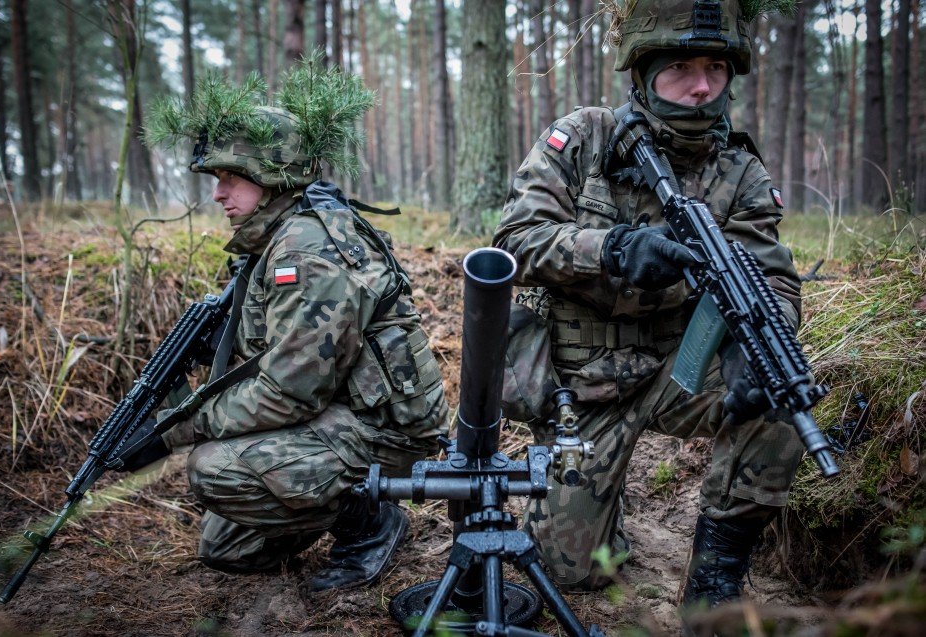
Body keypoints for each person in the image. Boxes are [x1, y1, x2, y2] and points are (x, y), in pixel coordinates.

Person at [494, 0, 805, 615]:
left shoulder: (739, 171)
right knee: (568, 573)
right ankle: (602, 507)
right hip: (582, 389)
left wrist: (755, 345)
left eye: (716, 68)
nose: (700, 86)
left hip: (677, 373)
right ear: (642, 71)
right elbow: (514, 240)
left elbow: (775, 280)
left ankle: (713, 593)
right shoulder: (584, 137)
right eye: (681, 67)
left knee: (780, 402)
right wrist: (608, 249)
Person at [127, 67, 449, 591]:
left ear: (270, 176)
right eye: (217, 181)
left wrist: (179, 427)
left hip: (386, 429)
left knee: (213, 470)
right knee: (226, 546)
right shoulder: (277, 238)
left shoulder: (305, 251)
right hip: (341, 407)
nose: (219, 195)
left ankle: (370, 522)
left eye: (231, 178)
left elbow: (290, 393)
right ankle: (339, 503)